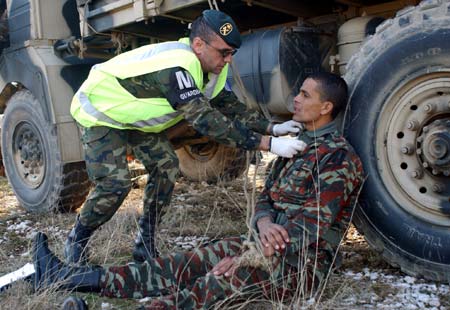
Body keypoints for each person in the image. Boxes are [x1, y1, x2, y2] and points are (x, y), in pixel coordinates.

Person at [33, 72, 364, 309]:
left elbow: (311, 227)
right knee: (183, 264)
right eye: (299, 92)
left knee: (211, 285)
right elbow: (266, 198)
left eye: (306, 95)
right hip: (259, 243)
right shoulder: (298, 146)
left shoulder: (339, 157)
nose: (296, 98)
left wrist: (246, 256)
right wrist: (262, 223)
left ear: (326, 108)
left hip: (299, 265)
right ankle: (71, 278)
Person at [65, 9, 307, 264]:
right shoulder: (176, 67)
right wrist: (268, 144)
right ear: (199, 44)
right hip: (102, 111)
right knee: (115, 183)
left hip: (133, 119)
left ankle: (144, 244)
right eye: (223, 52)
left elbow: (229, 106)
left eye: (231, 53)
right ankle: (77, 240)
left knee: (166, 165)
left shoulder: (211, 67)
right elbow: (206, 120)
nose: (228, 60)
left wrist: (271, 128)